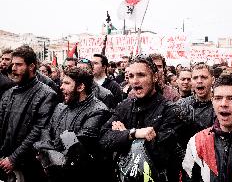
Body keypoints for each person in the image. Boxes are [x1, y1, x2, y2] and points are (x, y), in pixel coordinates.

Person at [99, 54, 183, 182]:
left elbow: (160, 153)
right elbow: (104, 140)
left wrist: (122, 135)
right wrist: (133, 133)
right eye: (131, 76)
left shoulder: (170, 110)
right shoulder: (124, 106)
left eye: (141, 75)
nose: (135, 81)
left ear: (154, 77)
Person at [34, 67, 112, 182]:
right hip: (55, 174)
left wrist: (46, 151)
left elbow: (77, 147)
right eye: (62, 82)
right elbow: (46, 131)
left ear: (80, 87)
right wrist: (47, 153)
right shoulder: (61, 107)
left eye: (66, 83)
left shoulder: (98, 111)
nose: (61, 87)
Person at [0, 45, 58, 182]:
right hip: (4, 163)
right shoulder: (9, 93)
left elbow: (38, 130)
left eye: (19, 64)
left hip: (29, 165)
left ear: (31, 66)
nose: (13, 68)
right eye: (13, 64)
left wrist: (14, 158)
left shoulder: (47, 94)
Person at [177, 62, 215, 148]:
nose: (199, 81)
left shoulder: (220, 106)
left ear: (213, 80)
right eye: (195, 78)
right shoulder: (182, 105)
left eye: (204, 77)